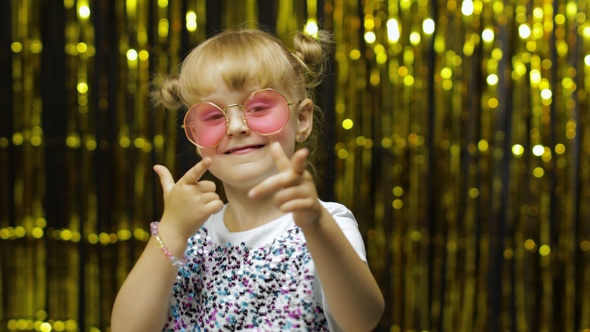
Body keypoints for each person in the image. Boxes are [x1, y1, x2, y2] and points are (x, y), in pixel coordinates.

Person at [111, 27, 384, 331]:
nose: (237, 126)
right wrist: (171, 231)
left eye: (258, 107)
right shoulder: (189, 232)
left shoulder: (327, 223)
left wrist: (315, 224)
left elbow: (363, 321)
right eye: (213, 116)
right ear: (195, 135)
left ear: (302, 119)